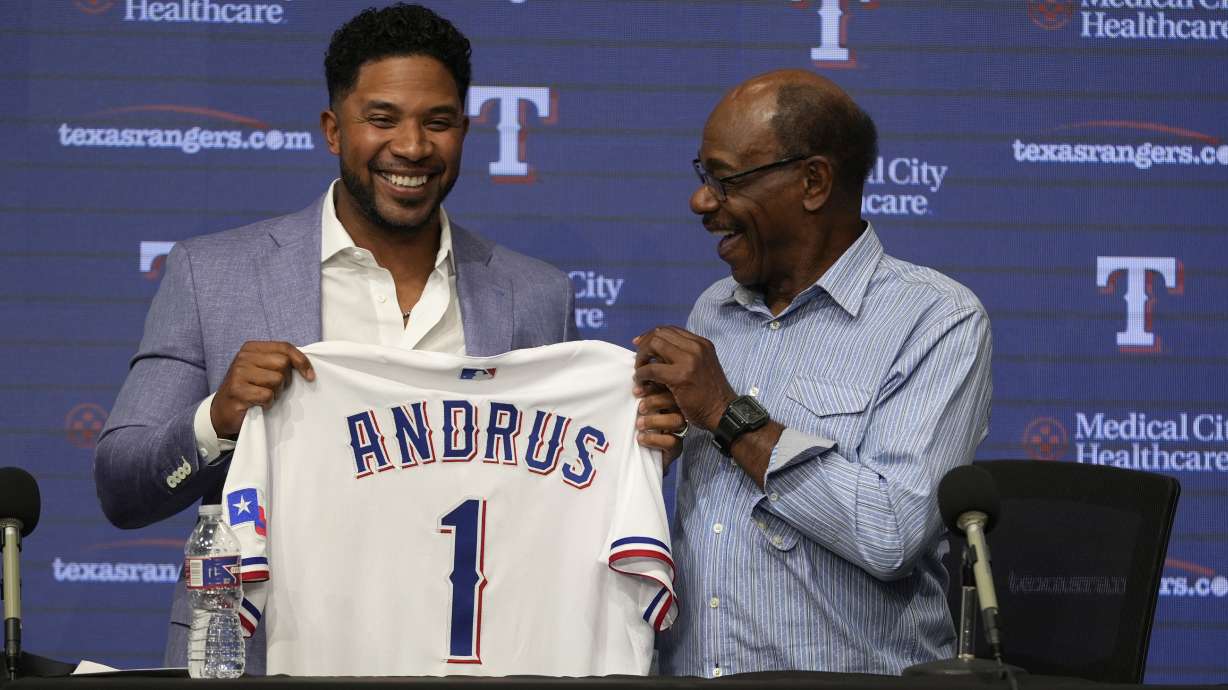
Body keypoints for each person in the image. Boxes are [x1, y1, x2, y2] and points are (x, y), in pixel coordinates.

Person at [94, 3, 579, 673]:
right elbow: (122, 488)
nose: (411, 147)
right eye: (381, 119)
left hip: (469, 660)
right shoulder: (214, 274)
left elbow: (556, 507)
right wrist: (219, 418)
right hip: (264, 657)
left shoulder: (537, 297)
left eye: (437, 122)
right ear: (332, 129)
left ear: (465, 131)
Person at [633, 70, 993, 676]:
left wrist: (728, 415)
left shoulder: (938, 320)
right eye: (703, 177)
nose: (701, 200)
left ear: (812, 181)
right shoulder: (712, 311)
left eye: (725, 179)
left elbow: (891, 533)